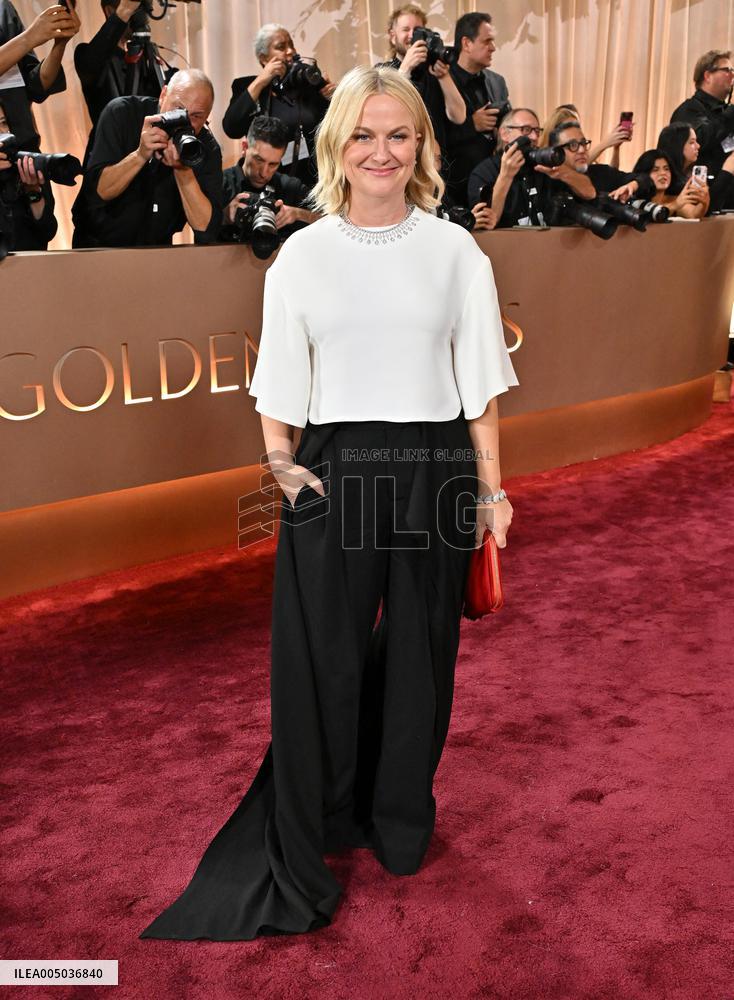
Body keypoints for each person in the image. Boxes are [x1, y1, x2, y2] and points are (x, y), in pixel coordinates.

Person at [140, 64, 518, 942]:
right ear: (335, 144)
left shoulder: (456, 249)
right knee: (325, 655)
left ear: (420, 144)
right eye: (363, 134)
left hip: (432, 465)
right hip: (333, 465)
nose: (380, 151)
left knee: (423, 653)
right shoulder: (303, 255)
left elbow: (479, 389)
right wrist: (280, 465)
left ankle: (398, 819)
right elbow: (280, 378)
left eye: (398, 134)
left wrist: (492, 488)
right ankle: (326, 811)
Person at [71, 68, 222, 248]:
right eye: (179, 109)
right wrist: (140, 155)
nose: (185, 121)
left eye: (196, 116)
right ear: (163, 94)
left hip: (157, 252)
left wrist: (183, 171)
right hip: (99, 246)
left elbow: (206, 229)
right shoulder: (121, 114)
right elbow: (97, 193)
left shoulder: (206, 147)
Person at [222, 23, 335, 186]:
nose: (290, 51)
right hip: (268, 181)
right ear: (263, 58)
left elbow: (334, 127)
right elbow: (232, 128)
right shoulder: (246, 86)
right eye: (281, 47)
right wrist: (260, 81)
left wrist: (333, 98)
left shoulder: (307, 85)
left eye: (291, 45)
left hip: (313, 181)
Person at [74, 0, 177, 158]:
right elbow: (91, 61)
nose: (143, 15)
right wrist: (124, 11)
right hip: (110, 157)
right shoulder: (90, 56)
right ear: (110, 11)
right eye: (137, 8)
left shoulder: (147, 57)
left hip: (150, 156)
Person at [467, 108, 595, 226]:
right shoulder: (485, 171)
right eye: (526, 130)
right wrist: (505, 176)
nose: (534, 137)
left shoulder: (544, 164)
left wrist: (562, 172)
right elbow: (488, 223)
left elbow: (590, 193)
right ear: (504, 133)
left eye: (537, 131)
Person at [375, 4, 465, 151]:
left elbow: (459, 116)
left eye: (417, 30)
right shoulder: (382, 72)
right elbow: (381, 114)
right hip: (397, 156)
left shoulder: (435, 70)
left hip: (436, 161)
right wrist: (405, 69)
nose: (411, 35)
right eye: (405, 30)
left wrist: (444, 77)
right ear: (393, 36)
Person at [445, 11, 511, 203]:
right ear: (466, 43)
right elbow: (433, 137)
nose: (493, 48)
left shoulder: (497, 82)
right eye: (487, 41)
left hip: (494, 186)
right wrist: (470, 125)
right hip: (455, 189)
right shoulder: (441, 80)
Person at [220, 115, 320, 242]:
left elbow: (332, 221)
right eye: (259, 160)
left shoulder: (290, 187)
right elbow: (200, 230)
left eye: (273, 164)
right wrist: (223, 216)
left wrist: (298, 214)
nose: (264, 172)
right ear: (244, 147)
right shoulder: (222, 183)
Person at [0, 0, 79, 151]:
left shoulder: (3, 8)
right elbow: (29, 38)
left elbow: (36, 87)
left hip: (25, 152)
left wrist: (60, 43)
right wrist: (29, 37)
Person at [670, 50, 734, 188]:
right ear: (707, 76)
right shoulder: (688, 110)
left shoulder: (726, 111)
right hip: (705, 193)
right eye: (727, 70)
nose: (732, 74)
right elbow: (702, 139)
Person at [0, 98, 57, 249]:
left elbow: (47, 231)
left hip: (29, 266)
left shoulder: (25, 162)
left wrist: (33, 192)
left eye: (3, 123)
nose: (1, 133)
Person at [657, 121, 734, 214]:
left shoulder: (687, 176)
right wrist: (727, 171)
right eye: (692, 142)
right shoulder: (666, 181)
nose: (698, 146)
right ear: (678, 145)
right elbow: (702, 212)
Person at [632, 148, 708, 219]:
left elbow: (693, 214)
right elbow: (650, 216)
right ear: (644, 174)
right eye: (655, 170)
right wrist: (675, 205)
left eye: (666, 169)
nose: (663, 173)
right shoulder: (635, 201)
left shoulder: (674, 199)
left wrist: (704, 202)